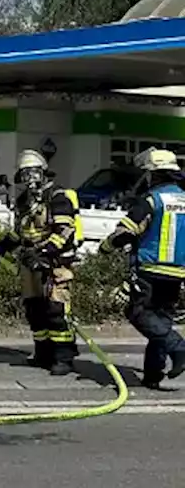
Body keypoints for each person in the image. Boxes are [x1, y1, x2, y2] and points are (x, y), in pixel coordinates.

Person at [98, 148, 185, 389]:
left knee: (138, 314)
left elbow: (126, 232)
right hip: (177, 272)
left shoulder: (151, 200)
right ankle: (153, 375)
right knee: (161, 322)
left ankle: (179, 349)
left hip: (150, 268)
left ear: (153, 175)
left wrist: (105, 247)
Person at [0, 149, 82, 375]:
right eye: (24, 174)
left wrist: (44, 253)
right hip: (30, 262)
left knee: (55, 309)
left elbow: (65, 231)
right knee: (34, 309)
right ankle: (43, 352)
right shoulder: (23, 202)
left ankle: (63, 357)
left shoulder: (57, 197)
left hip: (55, 263)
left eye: (33, 173)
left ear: (43, 173)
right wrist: (2, 247)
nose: (29, 179)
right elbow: (20, 232)